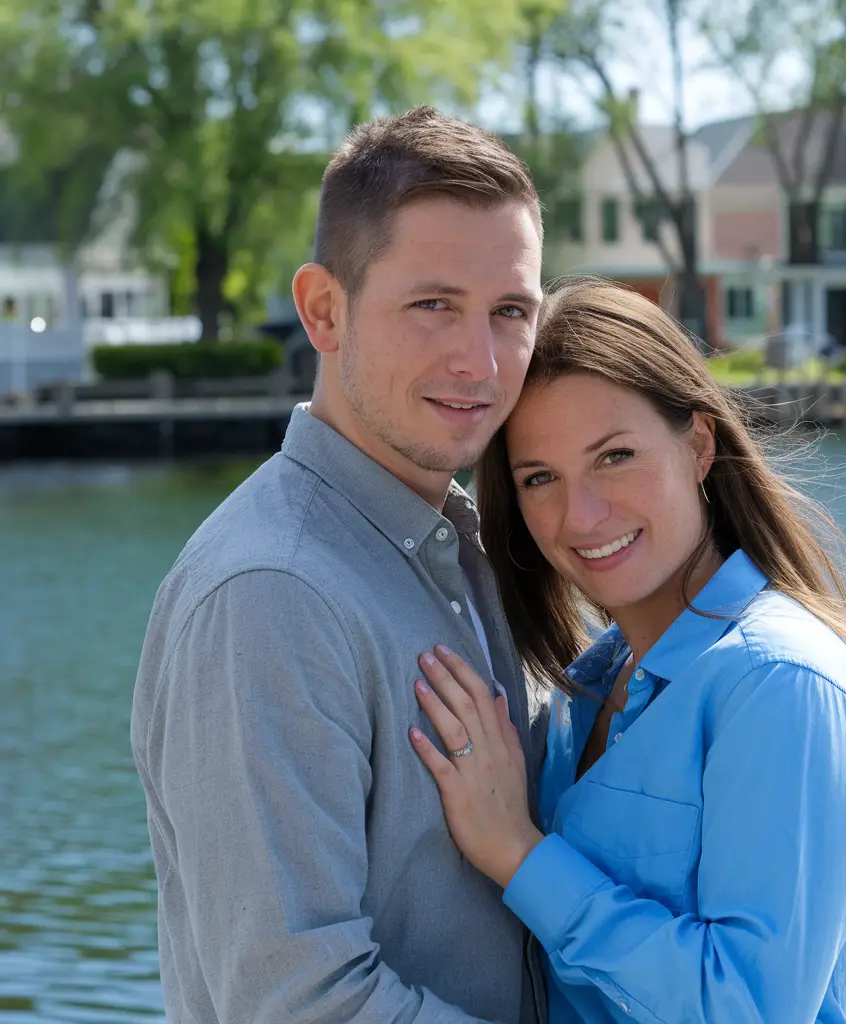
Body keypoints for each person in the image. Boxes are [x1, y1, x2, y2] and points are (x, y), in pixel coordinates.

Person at [130, 107, 549, 1024]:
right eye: (433, 305)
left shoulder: (463, 545)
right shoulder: (271, 596)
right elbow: (298, 1002)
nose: (480, 361)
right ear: (324, 309)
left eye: (510, 311)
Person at [409, 276, 846, 1024]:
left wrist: (518, 853)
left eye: (614, 456)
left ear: (700, 444)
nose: (581, 515)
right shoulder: (586, 691)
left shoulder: (782, 685)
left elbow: (749, 1008)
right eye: (540, 478)